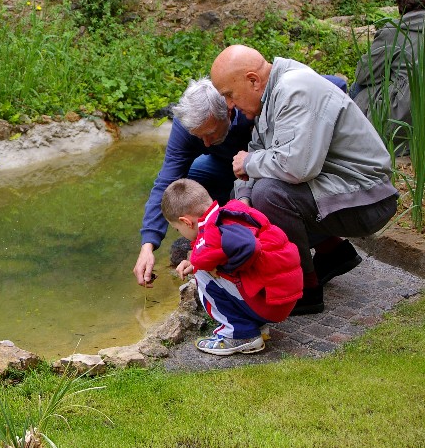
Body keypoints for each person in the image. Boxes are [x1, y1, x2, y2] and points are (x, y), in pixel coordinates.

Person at [210, 45, 399, 315]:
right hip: (341, 191)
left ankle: (303, 289)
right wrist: (242, 201)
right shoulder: (269, 98)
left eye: (229, 95)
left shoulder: (295, 89)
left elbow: (296, 168)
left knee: (269, 194)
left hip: (369, 199)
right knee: (253, 196)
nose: (229, 105)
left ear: (252, 80)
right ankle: (333, 253)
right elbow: (252, 161)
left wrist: (250, 166)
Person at [133, 75, 347, 289]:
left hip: (267, 165)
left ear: (227, 111)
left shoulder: (249, 104)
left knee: (259, 196)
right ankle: (209, 246)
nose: (206, 144)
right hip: (229, 164)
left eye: (210, 133)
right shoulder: (187, 125)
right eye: (200, 138)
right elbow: (167, 183)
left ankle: (322, 247)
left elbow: (336, 84)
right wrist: (148, 245)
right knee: (191, 181)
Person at [162, 178, 303, 355]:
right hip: (283, 299)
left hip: (269, 305)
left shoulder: (211, 232)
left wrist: (220, 269)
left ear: (186, 222)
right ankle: (255, 326)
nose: (179, 233)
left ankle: (239, 334)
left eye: (177, 229)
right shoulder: (231, 212)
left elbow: (250, 246)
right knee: (206, 267)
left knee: (202, 272)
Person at [351, 0, 425, 156]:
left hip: (405, 112)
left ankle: (356, 135)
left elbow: (363, 75)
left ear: (401, 7)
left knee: (358, 87)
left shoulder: (395, 30)